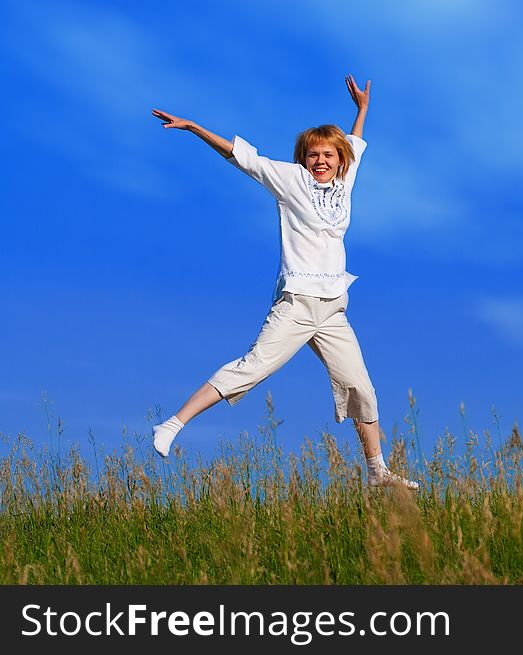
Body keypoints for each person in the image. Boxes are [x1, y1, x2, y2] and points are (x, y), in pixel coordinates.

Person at [149, 75, 418, 490]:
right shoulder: (290, 179)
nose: (321, 160)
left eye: (328, 154)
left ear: (339, 160)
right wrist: (194, 128)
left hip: (333, 308)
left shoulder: (345, 182)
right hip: (296, 303)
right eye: (313, 155)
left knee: (361, 387)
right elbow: (243, 157)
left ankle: (377, 473)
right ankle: (172, 423)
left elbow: (355, 142)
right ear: (304, 158)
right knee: (252, 369)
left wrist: (362, 109)